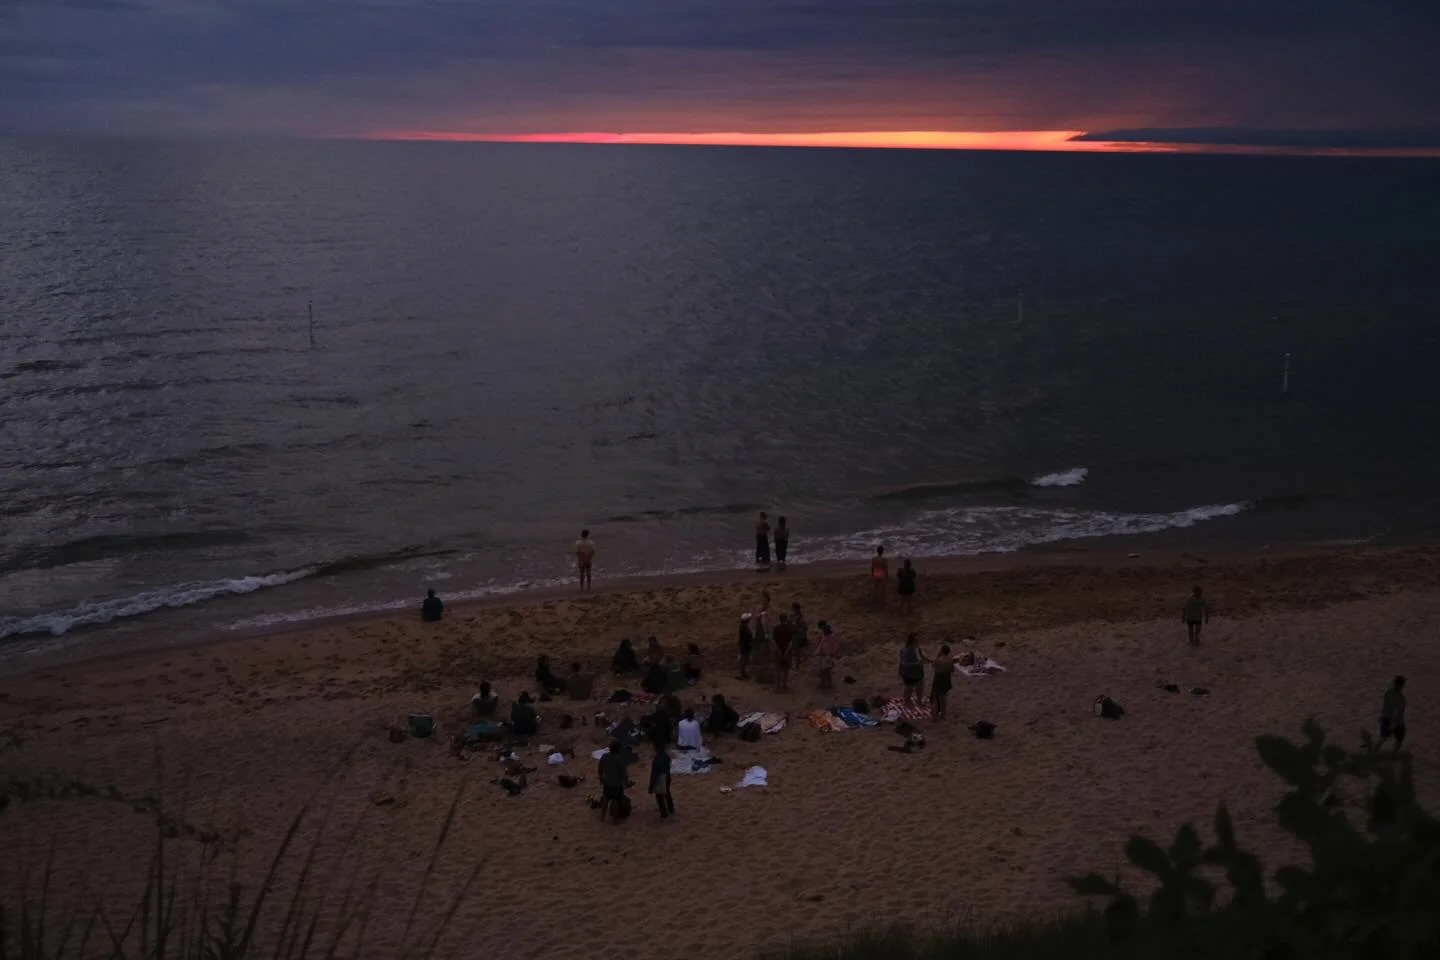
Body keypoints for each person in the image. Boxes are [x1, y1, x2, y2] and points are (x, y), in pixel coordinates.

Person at [598, 740, 631, 822]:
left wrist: (601, 778)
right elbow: (624, 774)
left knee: (606, 798)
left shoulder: (605, 756)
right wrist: (626, 784)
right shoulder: (620, 759)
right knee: (616, 800)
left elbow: (600, 769)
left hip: (607, 782)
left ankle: (602, 816)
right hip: (617, 783)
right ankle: (614, 818)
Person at [1380, 676, 1408, 751]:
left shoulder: (1389, 693)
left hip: (1386, 719)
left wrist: (1382, 717)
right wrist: (1393, 723)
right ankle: (1394, 754)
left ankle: (1373, 753)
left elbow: (1385, 707)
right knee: (1399, 738)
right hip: (1395, 722)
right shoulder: (1401, 699)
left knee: (1382, 738)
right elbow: (1399, 713)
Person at [899, 634, 926, 707]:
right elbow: (904, 663)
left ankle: (919, 701)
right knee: (909, 689)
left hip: (919, 672)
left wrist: (928, 660)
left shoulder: (917, 648)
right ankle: (907, 702)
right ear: (912, 641)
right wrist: (916, 663)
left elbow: (921, 656)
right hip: (909, 673)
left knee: (920, 687)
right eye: (916, 640)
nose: (918, 642)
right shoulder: (905, 650)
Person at [650, 742, 675, 819]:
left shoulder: (656, 760)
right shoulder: (666, 757)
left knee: (659, 797)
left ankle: (663, 812)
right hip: (667, 776)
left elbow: (654, 772)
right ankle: (671, 809)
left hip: (660, 777)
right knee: (667, 793)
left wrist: (652, 783)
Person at [930, 644, 956, 720]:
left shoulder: (939, 660)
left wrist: (938, 656)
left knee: (935, 698)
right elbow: (952, 670)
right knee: (943, 698)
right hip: (946, 679)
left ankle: (934, 717)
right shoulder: (950, 660)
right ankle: (943, 716)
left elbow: (933, 665)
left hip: (938, 679)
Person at [813, 620, 838, 690]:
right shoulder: (828, 636)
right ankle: (827, 684)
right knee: (825, 671)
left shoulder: (826, 637)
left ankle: (825, 684)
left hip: (825, 656)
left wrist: (817, 652)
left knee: (824, 671)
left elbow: (822, 646)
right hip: (825, 655)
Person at [772, 613, 794, 692]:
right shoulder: (790, 629)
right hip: (787, 651)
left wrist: (779, 651)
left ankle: (777, 687)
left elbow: (774, 642)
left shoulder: (776, 628)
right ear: (786, 619)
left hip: (778, 651)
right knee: (786, 669)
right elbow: (791, 642)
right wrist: (786, 652)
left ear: (780, 619)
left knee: (778, 669)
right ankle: (784, 686)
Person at [738, 613, 755, 679]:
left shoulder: (743, 626)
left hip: (744, 645)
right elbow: (748, 637)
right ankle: (742, 673)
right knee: (744, 659)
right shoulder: (744, 628)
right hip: (745, 646)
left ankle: (743, 673)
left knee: (744, 659)